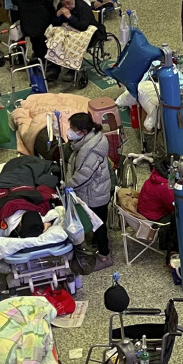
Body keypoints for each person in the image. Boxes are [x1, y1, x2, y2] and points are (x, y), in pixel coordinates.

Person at [64, 112, 113, 270]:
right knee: (98, 223)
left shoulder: (91, 150)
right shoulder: (89, 141)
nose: (70, 131)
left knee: (99, 225)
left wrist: (68, 185)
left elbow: (84, 175)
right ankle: (98, 245)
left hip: (96, 194)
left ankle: (105, 256)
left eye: (73, 128)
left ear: (83, 131)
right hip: (96, 190)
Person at [12, 0, 55, 64]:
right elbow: (49, 3)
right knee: (42, 42)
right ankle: (42, 61)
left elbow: (14, 0)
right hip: (43, 20)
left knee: (34, 40)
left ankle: (36, 58)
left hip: (27, 19)